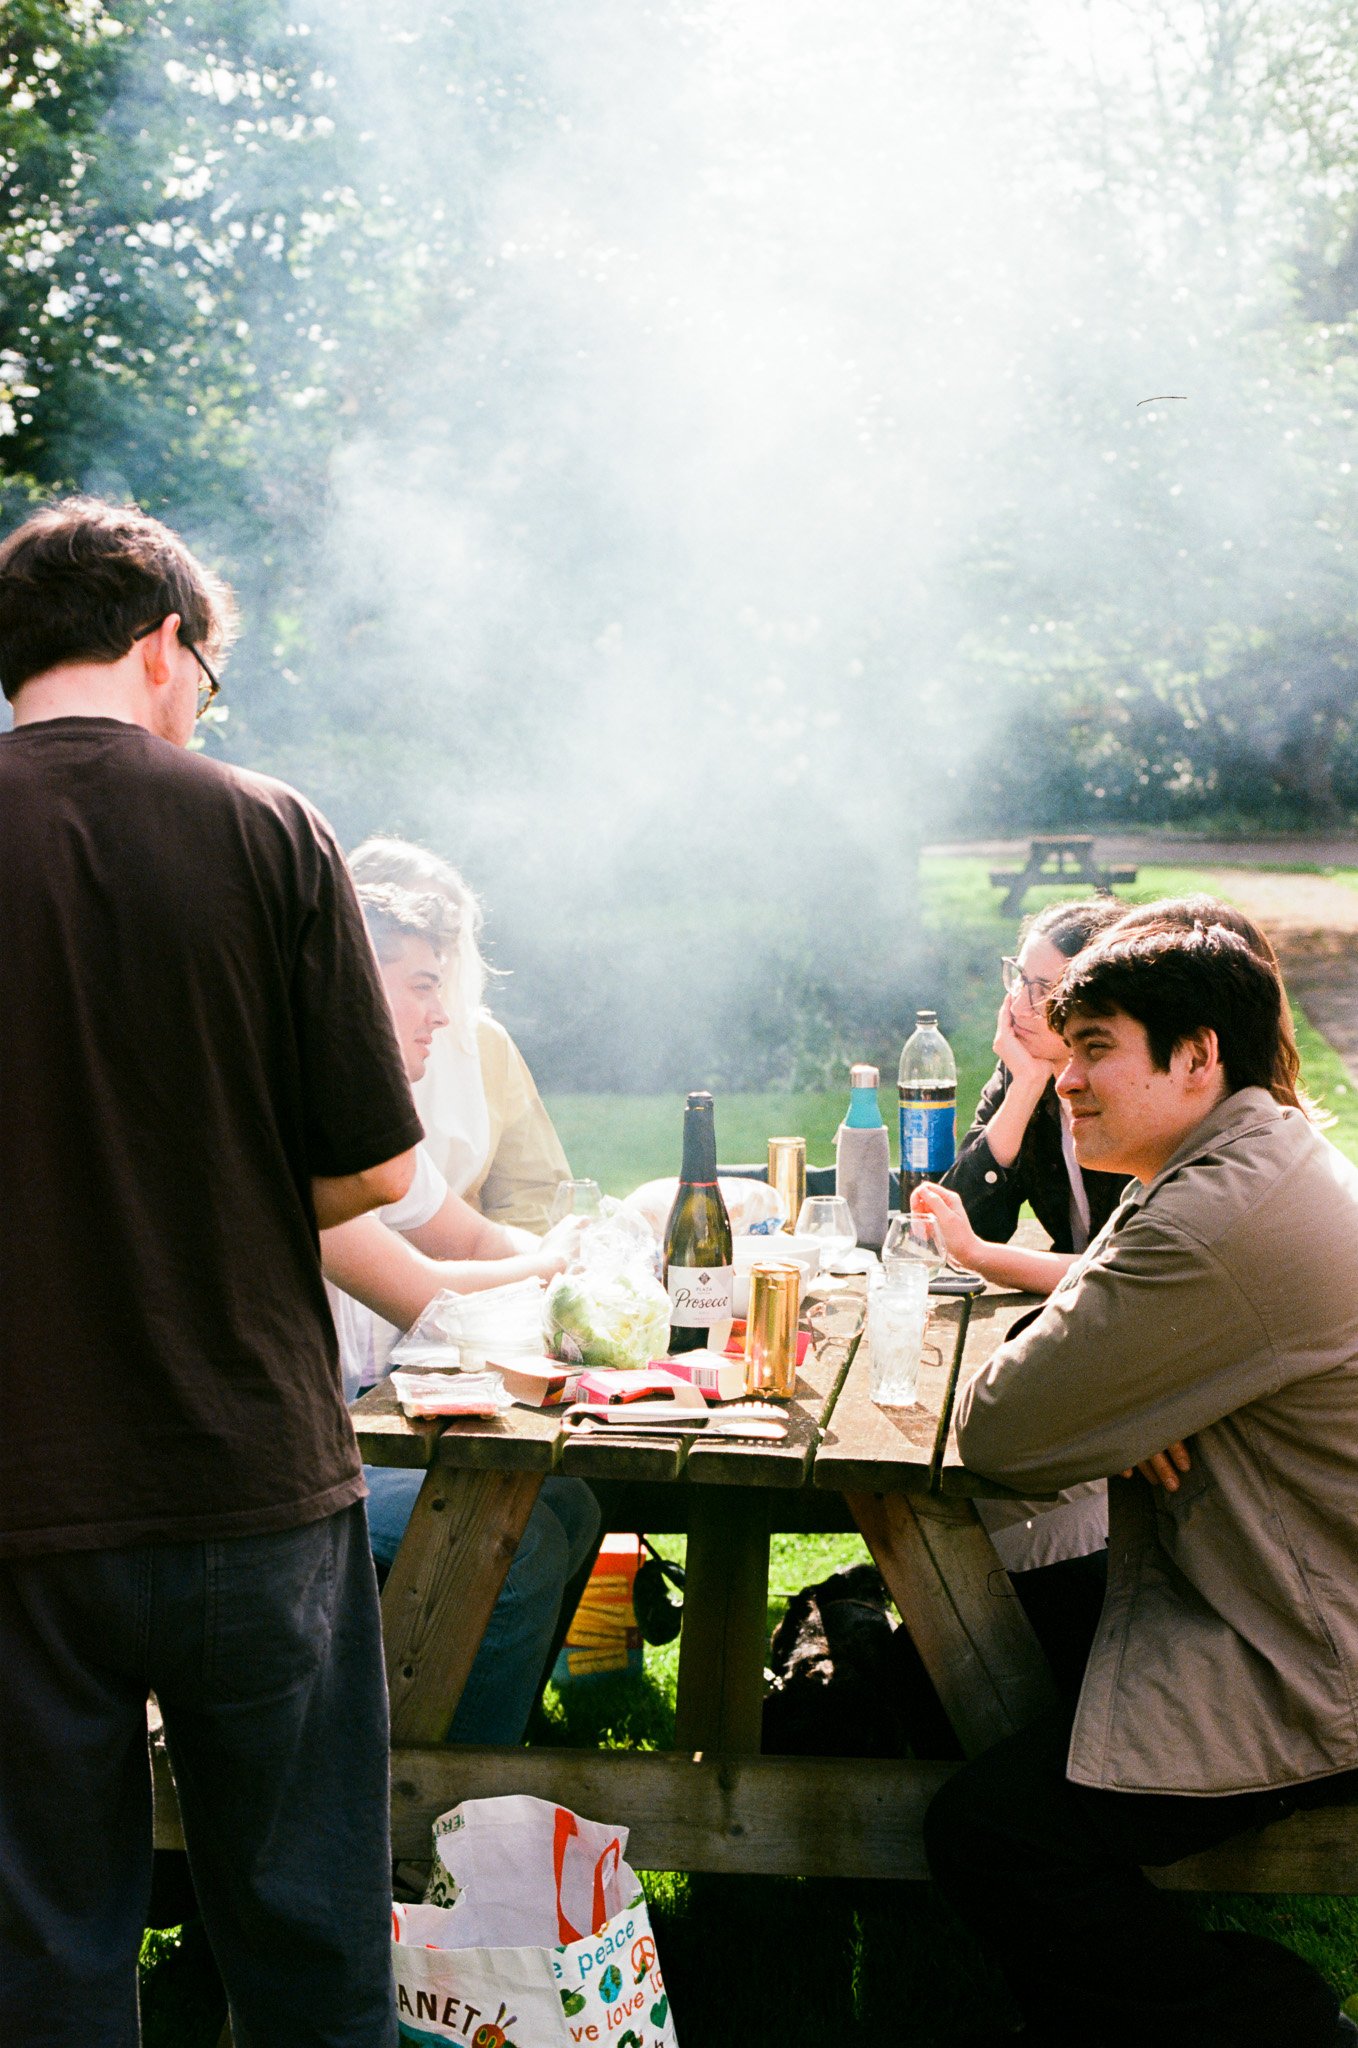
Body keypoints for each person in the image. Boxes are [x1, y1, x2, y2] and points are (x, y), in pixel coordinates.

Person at [0, 499, 419, 2047]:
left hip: (23, 1502)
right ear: (165, 642)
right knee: (306, 1937)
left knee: (40, 1951)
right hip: (253, 1478)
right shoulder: (266, 830)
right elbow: (375, 1169)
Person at [924, 922, 1358, 2048]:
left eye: (1093, 1048)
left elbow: (1006, 1428)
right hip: (1272, 1586)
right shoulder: (1247, 1155)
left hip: (1311, 1650)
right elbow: (1077, 1369)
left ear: (1196, 1055)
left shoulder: (1215, 1215)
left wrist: (1116, 1398)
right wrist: (1133, 1401)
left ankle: (1281, 2026)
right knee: (944, 1666)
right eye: (1061, 1047)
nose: (1061, 1079)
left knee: (997, 1831)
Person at [324, 884, 601, 1743]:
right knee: (521, 1550)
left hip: (354, 1425)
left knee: (573, 1504)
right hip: (280, 1465)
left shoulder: (364, 1118)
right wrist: (563, 1269)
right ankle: (443, 1804)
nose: (442, 1013)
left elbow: (473, 1239)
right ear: (353, 983)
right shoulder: (295, 1120)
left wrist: (581, 1247)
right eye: (419, 985)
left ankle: (492, 1725)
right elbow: (427, 1295)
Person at [349, 836, 572, 1231]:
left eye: (446, 936)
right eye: (416, 925)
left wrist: (511, 1272)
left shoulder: (483, 1043)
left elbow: (533, 1191)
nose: (437, 949)